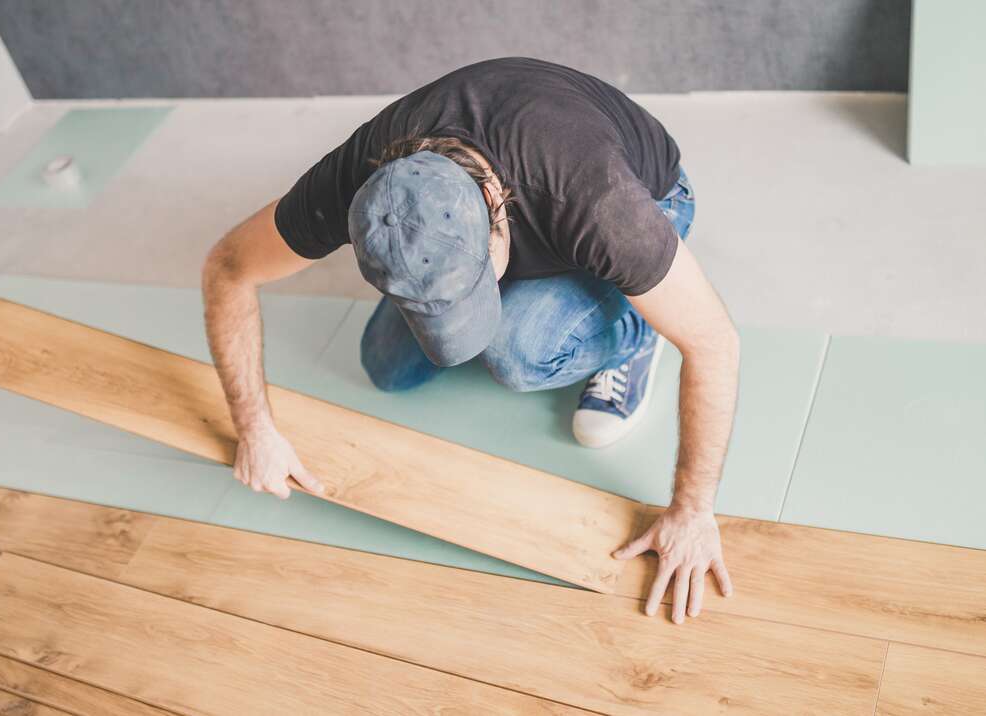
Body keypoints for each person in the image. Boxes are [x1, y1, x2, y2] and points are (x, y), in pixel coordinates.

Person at [202, 58, 739, 624]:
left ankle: (634, 334)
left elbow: (715, 343)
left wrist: (692, 510)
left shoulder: (593, 197)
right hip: (523, 206)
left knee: (517, 355)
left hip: (654, 196)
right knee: (385, 365)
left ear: (494, 207)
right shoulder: (358, 181)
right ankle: (445, 284)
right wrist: (254, 429)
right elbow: (228, 266)